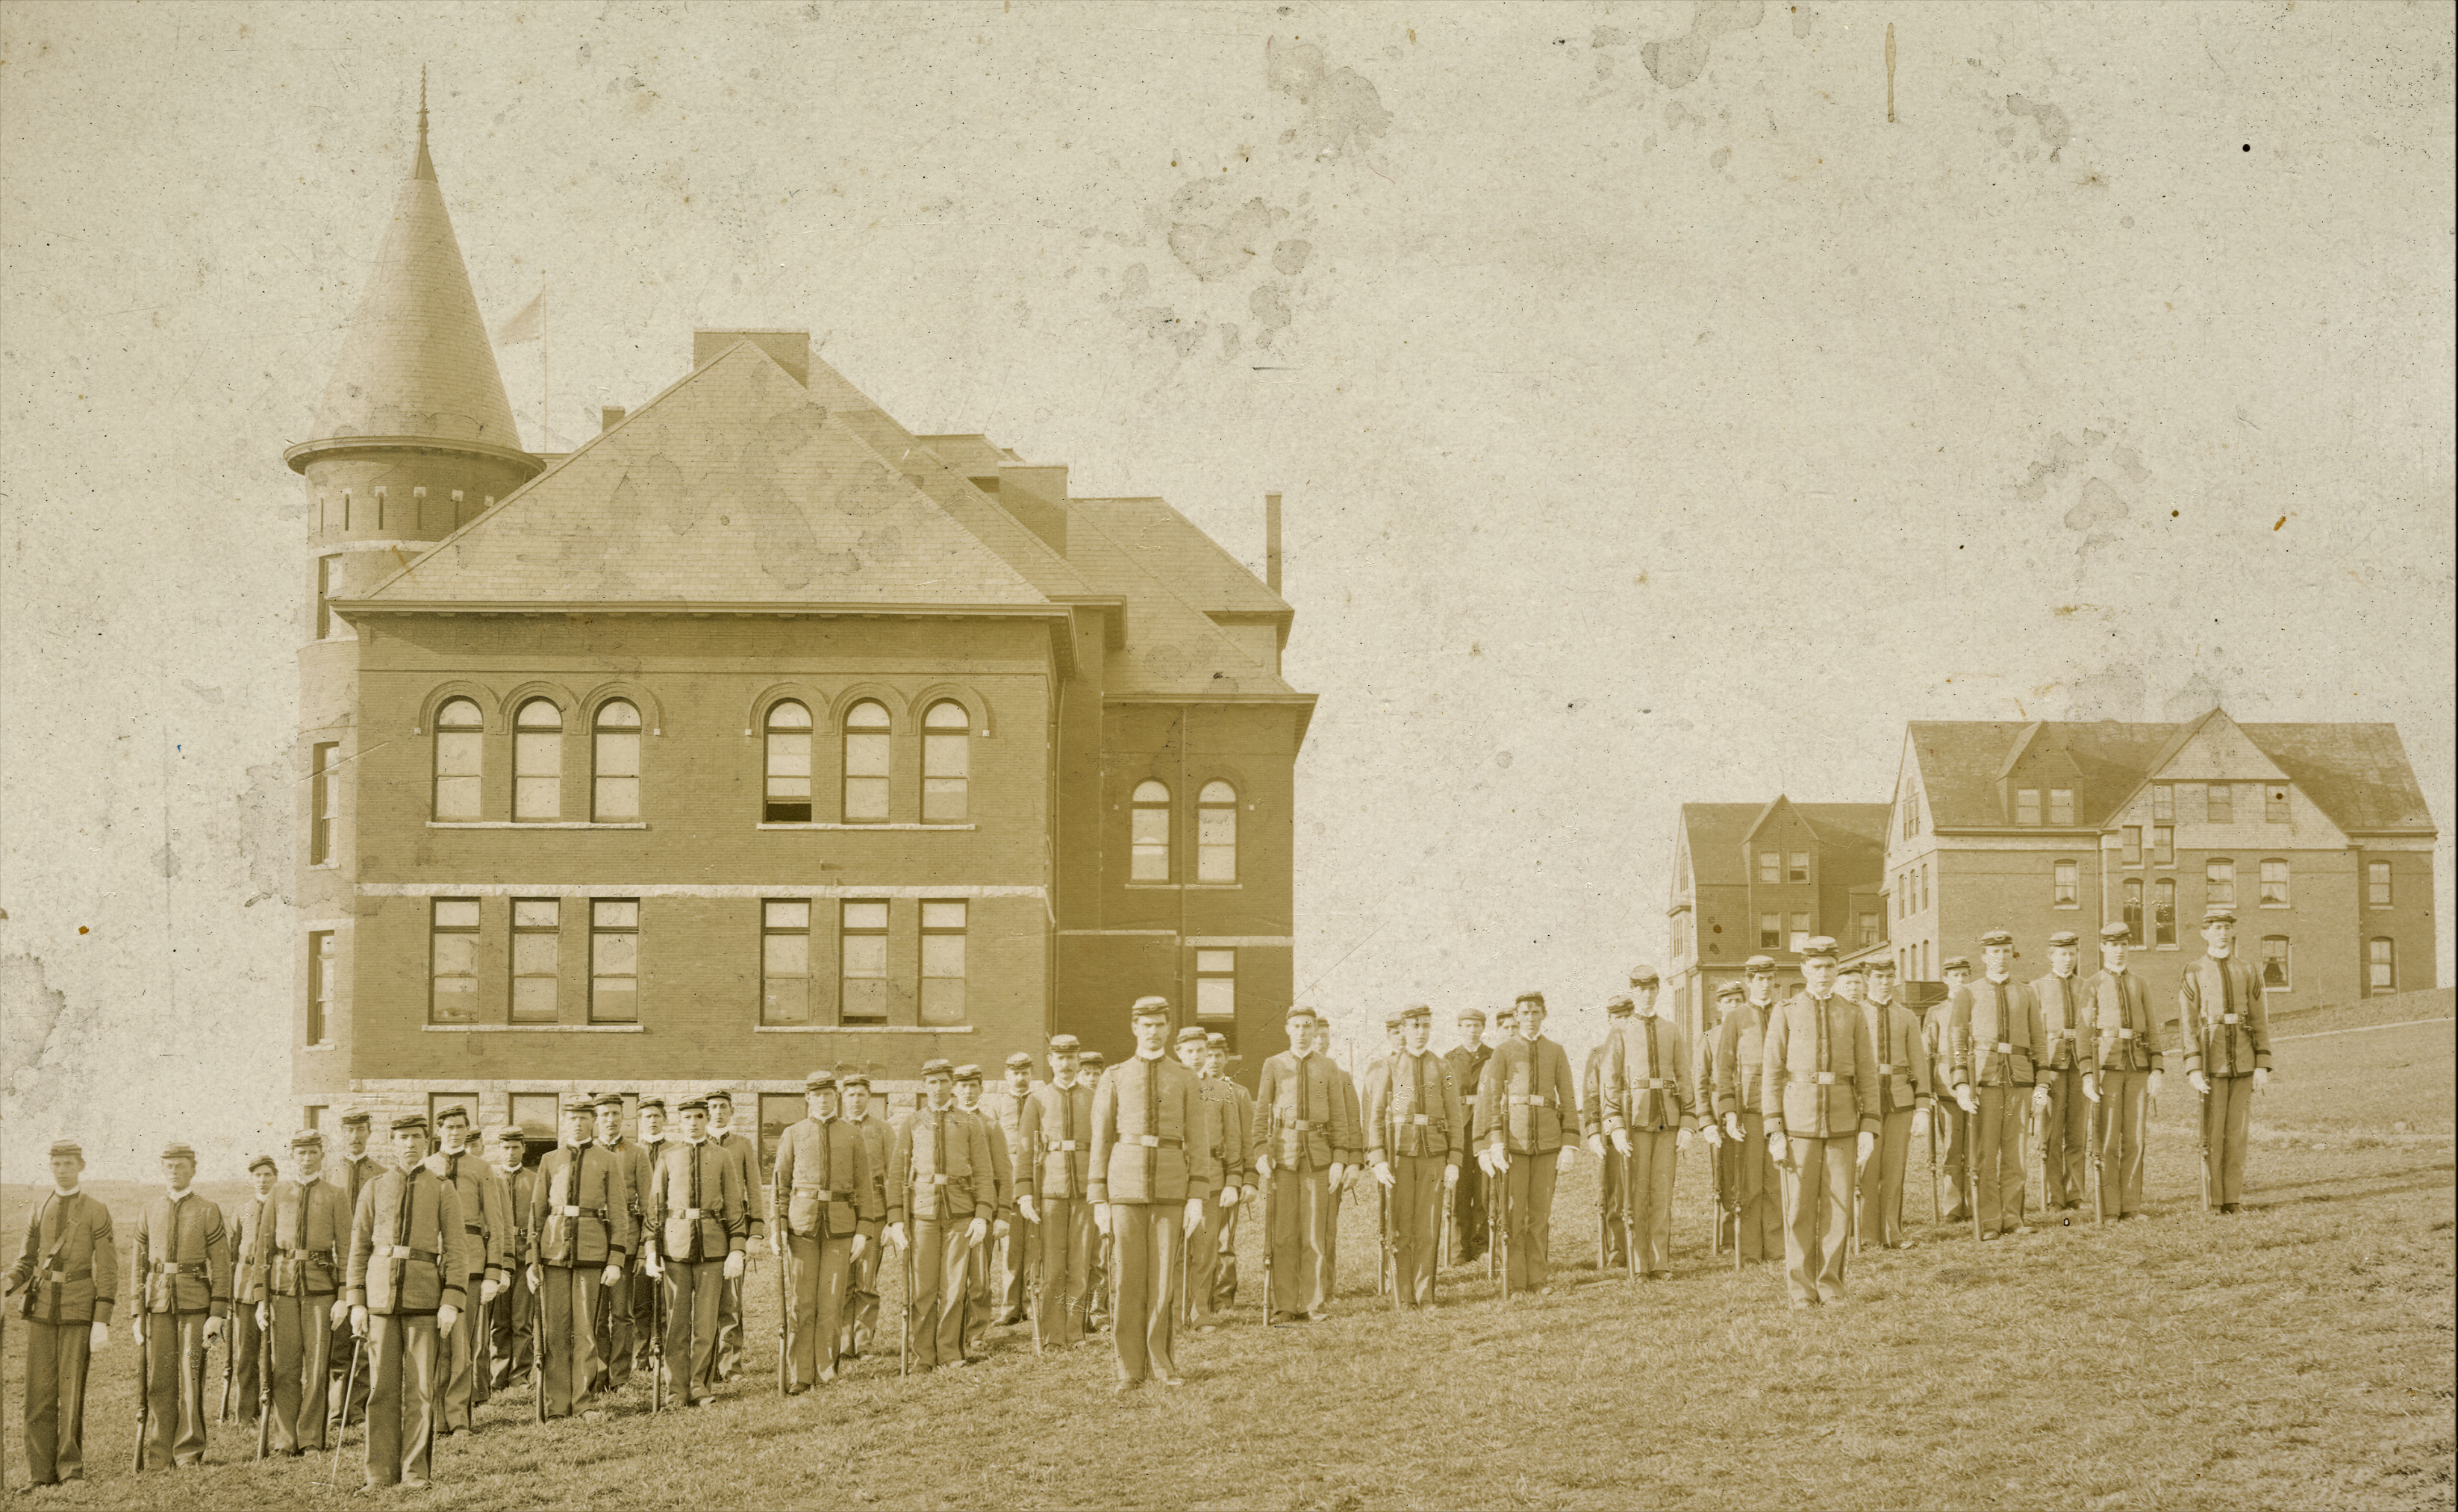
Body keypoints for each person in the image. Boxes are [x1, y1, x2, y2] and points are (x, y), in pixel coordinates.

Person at [1089, 997, 1213, 1390]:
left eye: (1160, 1024)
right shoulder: (1114, 1076)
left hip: (1172, 1187)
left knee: (1163, 1280)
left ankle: (1162, 1364)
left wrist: (1196, 1196)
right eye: (1146, 1025)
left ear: (1168, 1028)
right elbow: (1101, 1139)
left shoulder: (1186, 1078)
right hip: (1123, 1186)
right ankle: (1128, 1368)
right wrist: (1098, 1199)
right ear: (1134, 1028)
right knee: (1126, 1278)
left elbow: (1198, 1139)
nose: (1154, 1031)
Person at [344, 1114, 466, 1492]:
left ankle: (415, 1474)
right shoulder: (375, 1186)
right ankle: (378, 1475)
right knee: (380, 1389)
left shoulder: (443, 1188)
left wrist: (451, 1301)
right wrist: (356, 1301)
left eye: (416, 1137)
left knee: (420, 1392)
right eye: (402, 1138)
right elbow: (359, 1248)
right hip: (379, 1301)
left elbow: (458, 1252)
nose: (409, 1144)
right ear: (392, 1143)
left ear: (426, 1141)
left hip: (424, 1300)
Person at [1762, 939, 1880, 1308]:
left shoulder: (1853, 1012)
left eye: (1830, 966)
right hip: (1799, 1122)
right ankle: (1800, 1290)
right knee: (1799, 1208)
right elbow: (1772, 1073)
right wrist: (1774, 1128)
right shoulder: (1786, 1010)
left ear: (1837, 968)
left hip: (1844, 1120)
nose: (1824, 974)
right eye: (1817, 967)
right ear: (1804, 970)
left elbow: (1867, 1073)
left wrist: (1869, 1126)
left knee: (1839, 1208)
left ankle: (1831, 1286)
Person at [3, 1137, 116, 1487]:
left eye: (69, 1163)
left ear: (81, 1166)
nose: (62, 1169)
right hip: (41, 1312)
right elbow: (26, 1259)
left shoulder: (96, 1209)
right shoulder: (40, 1208)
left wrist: (102, 1319)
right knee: (37, 1394)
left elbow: (108, 1269)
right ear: (50, 1167)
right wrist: (7, 1282)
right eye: (56, 1163)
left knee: (70, 1395)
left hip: (79, 1311)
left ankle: (70, 1470)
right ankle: (40, 1473)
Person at [771, 1072, 879, 1391]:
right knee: (803, 1302)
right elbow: (780, 1187)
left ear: (837, 1097)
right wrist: (778, 1229)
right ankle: (801, 1374)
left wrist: (863, 1230)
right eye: (816, 1095)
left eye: (828, 1094)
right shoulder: (792, 1134)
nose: (823, 1100)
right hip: (801, 1227)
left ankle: (826, 1368)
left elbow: (865, 1188)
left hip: (841, 1227)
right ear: (808, 1098)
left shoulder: (852, 1135)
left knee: (831, 1301)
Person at [887, 1059, 997, 1371]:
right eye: (932, 1082)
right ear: (925, 1086)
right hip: (922, 1216)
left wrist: (982, 1215)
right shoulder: (912, 1122)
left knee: (954, 1287)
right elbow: (896, 1174)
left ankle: (949, 1352)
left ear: (952, 1085)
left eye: (943, 1082)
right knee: (923, 1289)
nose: (937, 1088)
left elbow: (985, 1173)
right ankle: (924, 1356)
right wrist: (896, 1219)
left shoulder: (969, 1122)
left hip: (960, 1214)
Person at [1593, 969, 1703, 1279]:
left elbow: (1684, 1076)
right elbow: (1610, 1082)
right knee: (1636, 1195)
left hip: (1667, 1122)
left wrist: (1687, 1122)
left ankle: (1661, 1263)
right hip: (1635, 1122)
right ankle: (1639, 1264)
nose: (1647, 993)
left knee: (1662, 1194)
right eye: (1641, 988)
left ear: (1658, 990)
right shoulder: (1621, 1032)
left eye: (1652, 987)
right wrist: (1614, 1125)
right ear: (1633, 990)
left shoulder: (1672, 1030)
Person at [528, 1098, 631, 1419]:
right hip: (554, 1253)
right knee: (555, 1331)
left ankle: (583, 1402)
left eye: (584, 1118)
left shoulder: (607, 1160)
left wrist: (615, 1259)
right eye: (572, 1118)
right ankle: (556, 1404)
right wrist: (533, 1261)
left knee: (586, 1332)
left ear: (593, 1122)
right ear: (564, 1121)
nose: (577, 1123)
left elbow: (619, 1213)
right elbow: (536, 1214)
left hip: (591, 1252)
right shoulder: (548, 1160)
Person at [131, 1140, 231, 1469]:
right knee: (160, 1379)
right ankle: (159, 1453)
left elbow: (221, 1266)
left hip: (194, 1305)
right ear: (162, 1169)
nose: (175, 1172)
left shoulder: (207, 1209)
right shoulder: (149, 1209)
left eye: (182, 1166)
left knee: (191, 1376)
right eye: (170, 1166)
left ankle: (188, 1451)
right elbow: (137, 1265)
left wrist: (217, 1313)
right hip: (158, 1305)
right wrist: (137, 1312)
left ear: (193, 1170)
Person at [1252, 1005, 1353, 1323]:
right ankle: (1285, 1305)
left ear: (1314, 1030)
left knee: (1314, 1234)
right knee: (1283, 1235)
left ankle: (1313, 1303)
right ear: (1287, 1029)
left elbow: (1339, 1118)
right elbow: (1260, 1116)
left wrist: (1339, 1159)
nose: (1302, 1031)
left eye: (1307, 1026)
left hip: (1319, 1159)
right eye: (1296, 1026)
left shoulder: (1329, 1067)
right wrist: (1259, 1152)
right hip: (1283, 1158)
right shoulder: (1273, 1065)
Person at [1946, 930, 2050, 1240]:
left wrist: (2042, 1084)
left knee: (2016, 1155)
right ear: (1984, 957)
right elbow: (1957, 1040)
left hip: (2019, 1081)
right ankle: (1990, 1221)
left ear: (2012, 954)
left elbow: (2039, 1042)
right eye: (1995, 952)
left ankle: (2013, 1218)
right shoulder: (1969, 992)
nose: (2001, 957)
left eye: (2006, 951)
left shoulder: (2027, 992)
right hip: (1985, 1082)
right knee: (1985, 1155)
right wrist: (1962, 1083)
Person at [1473, 992, 1580, 1295]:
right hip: (1513, 1145)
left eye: (1536, 1012)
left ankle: (1538, 1280)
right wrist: (1495, 1141)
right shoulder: (1503, 1052)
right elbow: (1493, 1099)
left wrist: (1569, 1143)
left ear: (1543, 1015)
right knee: (1512, 1215)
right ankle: (1515, 1281)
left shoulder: (1556, 1051)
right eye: (1524, 1013)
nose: (1530, 1018)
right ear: (1517, 1017)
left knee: (1539, 1216)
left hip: (1547, 1143)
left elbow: (1569, 1099)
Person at [643, 1097, 746, 1406]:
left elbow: (734, 1207)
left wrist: (737, 1250)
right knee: (675, 1322)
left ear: (706, 1119)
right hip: (675, 1250)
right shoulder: (667, 1157)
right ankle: (676, 1389)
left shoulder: (723, 1156)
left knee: (705, 1322)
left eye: (700, 1116)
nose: (694, 1122)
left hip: (714, 1249)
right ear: (679, 1121)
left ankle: (700, 1386)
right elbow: (654, 1210)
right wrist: (651, 1251)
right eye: (687, 1117)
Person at [1364, 1004, 1464, 1306]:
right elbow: (1376, 1114)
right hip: (1399, 1157)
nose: (1421, 1032)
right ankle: (1403, 1295)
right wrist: (1378, 1158)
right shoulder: (1388, 1067)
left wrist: (1455, 1161)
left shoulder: (1443, 1067)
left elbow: (1455, 1116)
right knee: (1401, 1227)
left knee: (1428, 1227)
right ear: (1404, 1030)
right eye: (1415, 1026)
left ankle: (1425, 1295)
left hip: (1434, 1153)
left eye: (1426, 1026)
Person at [257, 1131, 349, 1458]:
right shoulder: (278, 1193)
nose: (307, 1158)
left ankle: (310, 1438)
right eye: (301, 1152)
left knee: (317, 1366)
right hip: (282, 1291)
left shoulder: (336, 1194)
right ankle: (284, 1440)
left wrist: (343, 1295)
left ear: (321, 1155)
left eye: (312, 1152)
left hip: (320, 1291)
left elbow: (347, 1249)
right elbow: (263, 1249)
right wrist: (260, 1299)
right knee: (284, 1367)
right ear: (292, 1155)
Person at [2179, 906, 2274, 1213]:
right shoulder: (2193, 970)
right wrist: (2193, 1067)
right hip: (2211, 1062)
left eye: (2226, 927)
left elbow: (2259, 1019)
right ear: (2205, 933)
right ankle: (2213, 1200)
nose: (2221, 932)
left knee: (2237, 1134)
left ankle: (2232, 1199)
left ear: (2233, 932)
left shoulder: (2248, 969)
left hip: (2244, 1061)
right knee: (2212, 1135)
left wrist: (2262, 1063)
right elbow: (2188, 1022)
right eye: (2215, 927)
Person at [423, 1105, 506, 1436]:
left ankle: (457, 1418)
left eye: (460, 1127)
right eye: (447, 1127)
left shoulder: (482, 1168)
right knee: (431, 1343)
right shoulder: (426, 1167)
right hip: (431, 1263)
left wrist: (493, 1272)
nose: (454, 1132)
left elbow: (496, 1224)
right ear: (439, 1131)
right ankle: (432, 1416)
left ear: (467, 1129)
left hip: (471, 1262)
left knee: (461, 1345)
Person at [1020, 1034, 1098, 1346]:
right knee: (1052, 1267)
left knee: (1079, 1266)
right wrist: (1026, 1194)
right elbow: (1026, 1151)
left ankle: (1075, 1331)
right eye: (1059, 1058)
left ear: (1078, 1061)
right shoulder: (1036, 1100)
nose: (1065, 1064)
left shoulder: (1094, 1098)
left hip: (1085, 1192)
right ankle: (1053, 1334)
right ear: (1050, 1061)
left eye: (1071, 1058)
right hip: (1050, 1193)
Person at [2087, 922, 2165, 1219]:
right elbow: (2084, 1034)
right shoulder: (2091, 984)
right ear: (2103, 947)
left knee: (2134, 1139)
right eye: (2113, 945)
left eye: (2123, 945)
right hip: (2106, 1067)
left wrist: (2156, 1068)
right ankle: (2108, 1208)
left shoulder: (2140, 983)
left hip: (2138, 1067)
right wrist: (2087, 1075)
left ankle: (2131, 1206)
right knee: (2107, 1140)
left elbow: (2153, 1027)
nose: (2119, 951)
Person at [1856, 960, 1934, 1250]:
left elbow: (1919, 1064)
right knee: (1867, 1168)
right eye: (1878, 977)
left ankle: (1892, 1233)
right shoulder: (1855, 1013)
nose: (1885, 982)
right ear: (1867, 979)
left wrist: (1923, 1107)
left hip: (1901, 1100)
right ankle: (1865, 1236)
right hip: (1866, 1103)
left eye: (1890, 977)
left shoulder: (1907, 1017)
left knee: (1893, 1170)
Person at [1715, 960, 1785, 1262]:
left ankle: (1777, 1248)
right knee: (1751, 1184)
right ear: (1749, 981)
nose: (1766, 984)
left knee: (1776, 1182)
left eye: (1770, 979)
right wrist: (1730, 1112)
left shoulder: (1786, 1011)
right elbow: (1724, 1068)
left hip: (1784, 1108)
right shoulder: (1736, 1017)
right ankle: (1750, 1250)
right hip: (1751, 1109)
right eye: (1759, 979)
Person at [1178, 1026, 1247, 1330]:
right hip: (1173, 1178)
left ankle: (1199, 1315)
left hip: (1211, 1180)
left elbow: (1233, 1140)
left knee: (1205, 1252)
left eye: (1200, 1050)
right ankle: (1173, 1315)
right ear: (1179, 1053)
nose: (1196, 1056)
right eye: (1189, 1050)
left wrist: (1234, 1180)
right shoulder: (1166, 1086)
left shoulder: (1223, 1091)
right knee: (1175, 1251)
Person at [2030, 932, 2101, 1212]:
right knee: (2051, 1133)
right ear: (2051, 955)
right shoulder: (2036, 988)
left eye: (2072, 953)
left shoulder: (2087, 986)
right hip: (2051, 1068)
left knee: (2076, 1134)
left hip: (2080, 1066)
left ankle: (2075, 1194)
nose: (2068, 959)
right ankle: (2054, 1197)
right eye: (2062, 954)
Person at [949, 1066, 1012, 1357]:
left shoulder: (990, 1126)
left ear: (981, 1089)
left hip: (983, 1209)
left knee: (979, 1277)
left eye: (973, 1086)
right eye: (962, 1086)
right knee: (951, 1275)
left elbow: (1004, 1172)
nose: (967, 1091)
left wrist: (1002, 1215)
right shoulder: (945, 1122)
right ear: (954, 1090)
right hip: (951, 1209)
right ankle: (952, 1331)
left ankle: (976, 1333)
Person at [324, 1108, 380, 1432]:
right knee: (336, 1340)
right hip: (333, 1266)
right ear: (341, 1133)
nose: (355, 1136)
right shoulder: (329, 1173)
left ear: (369, 1132)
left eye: (361, 1129)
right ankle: (334, 1411)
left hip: (370, 1264)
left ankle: (356, 1410)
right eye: (349, 1130)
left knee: (363, 1336)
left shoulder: (382, 1173)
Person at [702, 1090, 763, 1382]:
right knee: (704, 1301)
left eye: (723, 1107)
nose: (718, 1112)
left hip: (735, 1230)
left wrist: (757, 1232)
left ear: (732, 1111)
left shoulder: (742, 1145)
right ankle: (704, 1364)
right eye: (712, 1107)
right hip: (704, 1231)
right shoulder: (695, 1145)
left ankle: (730, 1365)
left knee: (732, 1301)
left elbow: (755, 1188)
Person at [593, 1092, 649, 1392]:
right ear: (596, 1119)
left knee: (622, 1314)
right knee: (597, 1315)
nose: (610, 1120)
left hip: (626, 1241)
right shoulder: (587, 1152)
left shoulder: (637, 1153)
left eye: (615, 1113)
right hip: (592, 1241)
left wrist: (643, 1248)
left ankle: (620, 1378)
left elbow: (649, 1205)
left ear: (623, 1117)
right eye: (604, 1114)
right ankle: (598, 1375)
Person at [1202, 1033, 1257, 1316]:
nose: (1212, 1061)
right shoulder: (1191, 1088)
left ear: (1226, 1058)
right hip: (1196, 1178)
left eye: (1217, 1055)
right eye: (1208, 1054)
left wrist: (1248, 1179)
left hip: (1226, 1176)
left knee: (1224, 1242)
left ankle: (1222, 1299)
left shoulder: (1239, 1093)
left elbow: (1246, 1140)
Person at [980, 1053, 1038, 1326]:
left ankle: (1031, 1304)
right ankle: (1010, 1307)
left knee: (1036, 1248)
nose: (1020, 1077)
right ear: (1007, 1076)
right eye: (1015, 1073)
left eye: (1025, 1072)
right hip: (1009, 1188)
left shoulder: (1041, 1102)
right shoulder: (995, 1106)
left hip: (1038, 1185)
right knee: (1011, 1251)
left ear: (1031, 1074)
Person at [837, 1074, 892, 1358]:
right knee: (844, 1281)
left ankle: (864, 1343)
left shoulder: (882, 1129)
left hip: (874, 1215)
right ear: (842, 1098)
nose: (856, 1100)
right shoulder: (834, 1128)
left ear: (869, 1097)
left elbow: (895, 1176)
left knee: (866, 1281)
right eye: (850, 1095)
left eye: (861, 1094)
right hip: (842, 1216)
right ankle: (844, 1343)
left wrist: (894, 1221)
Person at [1581, 993, 1634, 1272]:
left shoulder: (1644, 1050)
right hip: (1611, 1130)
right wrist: (1592, 1133)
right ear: (1610, 1021)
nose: (1624, 1022)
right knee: (1614, 1192)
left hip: (1640, 1127)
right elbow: (1591, 1097)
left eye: (1628, 1017)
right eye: (1618, 1018)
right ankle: (1617, 1250)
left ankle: (1640, 1247)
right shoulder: (1598, 1055)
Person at [484, 1123, 538, 1393]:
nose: (510, 1153)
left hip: (523, 1259)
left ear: (524, 1149)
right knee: (498, 1323)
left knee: (522, 1321)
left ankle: (520, 1376)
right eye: (505, 1148)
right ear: (499, 1150)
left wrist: (532, 1259)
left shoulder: (535, 1179)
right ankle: (497, 1376)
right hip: (497, 1261)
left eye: (515, 1147)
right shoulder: (490, 1180)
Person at [228, 1155, 278, 1433]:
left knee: (277, 1353)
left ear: (275, 1177)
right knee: (247, 1353)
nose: (262, 1179)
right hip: (245, 1289)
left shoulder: (283, 1207)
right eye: (257, 1175)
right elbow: (230, 1254)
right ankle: (246, 1414)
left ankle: (276, 1407)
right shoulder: (242, 1210)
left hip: (275, 1287)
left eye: (267, 1174)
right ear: (251, 1179)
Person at [1924, 958, 1976, 1224]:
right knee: (1953, 1148)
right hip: (1947, 1086)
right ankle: (1954, 1206)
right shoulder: (1936, 1011)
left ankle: (1976, 1202)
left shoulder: (1980, 1006)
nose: (1960, 980)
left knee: (1977, 1145)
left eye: (1965, 975)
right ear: (1945, 979)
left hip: (1978, 1082)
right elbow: (1928, 1051)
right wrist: (1930, 1087)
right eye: (1955, 975)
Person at [1444, 1010, 1494, 1264]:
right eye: (1467, 1026)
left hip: (1485, 1128)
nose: (1472, 1030)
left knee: (1484, 1189)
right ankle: (1458, 1251)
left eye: (1476, 1026)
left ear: (1483, 1028)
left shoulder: (1493, 1056)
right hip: (1460, 1129)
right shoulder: (1448, 1059)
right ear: (1459, 1028)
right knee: (1460, 1190)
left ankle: (1481, 1247)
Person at [624, 1099, 667, 1375]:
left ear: (665, 1119)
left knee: (664, 1300)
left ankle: (661, 1351)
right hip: (641, 1232)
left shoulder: (674, 1150)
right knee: (640, 1299)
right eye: (646, 1117)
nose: (652, 1121)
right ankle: (640, 1357)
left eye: (657, 1116)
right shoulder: (631, 1152)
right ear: (640, 1121)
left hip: (669, 1232)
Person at [1078, 1051, 1111, 1332]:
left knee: (1100, 1255)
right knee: (1074, 1254)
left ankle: (1098, 1311)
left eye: (1095, 1073)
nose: (1091, 1078)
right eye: (1085, 1072)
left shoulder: (1111, 1103)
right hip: (1074, 1189)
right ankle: (1074, 1313)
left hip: (1102, 1187)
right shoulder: (1070, 1102)